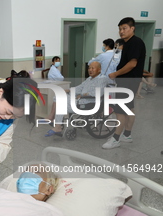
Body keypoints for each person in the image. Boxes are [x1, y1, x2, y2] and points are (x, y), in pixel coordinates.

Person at [102, 17, 146, 149]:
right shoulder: (127, 43)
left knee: (120, 111)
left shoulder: (135, 43)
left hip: (128, 81)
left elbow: (132, 64)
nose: (121, 31)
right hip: (129, 81)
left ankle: (116, 139)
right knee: (129, 109)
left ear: (132, 28)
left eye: (124, 28)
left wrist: (115, 74)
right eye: (120, 29)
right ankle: (127, 135)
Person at [46, 61, 109, 136]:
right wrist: (69, 90)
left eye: (93, 68)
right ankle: (55, 123)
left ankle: (55, 122)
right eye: (89, 68)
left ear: (99, 69)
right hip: (80, 100)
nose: (90, 70)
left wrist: (82, 95)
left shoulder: (102, 79)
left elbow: (99, 92)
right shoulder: (89, 79)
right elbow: (79, 88)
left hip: (89, 103)